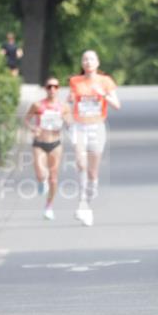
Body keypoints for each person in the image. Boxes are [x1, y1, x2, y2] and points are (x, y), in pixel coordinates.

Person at [67, 50, 120, 227]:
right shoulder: (75, 81)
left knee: (92, 172)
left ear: (97, 62)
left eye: (91, 59)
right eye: (85, 59)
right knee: (81, 164)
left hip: (97, 126)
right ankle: (82, 204)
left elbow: (117, 105)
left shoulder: (105, 81)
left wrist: (103, 94)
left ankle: (89, 198)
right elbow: (70, 102)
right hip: (79, 126)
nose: (88, 62)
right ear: (82, 63)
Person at [24, 77, 70, 220]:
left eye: (55, 86)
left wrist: (68, 122)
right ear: (45, 88)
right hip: (40, 142)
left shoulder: (64, 106)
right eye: (49, 86)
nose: (52, 89)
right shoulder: (37, 105)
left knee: (53, 178)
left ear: (58, 89)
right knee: (41, 174)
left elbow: (70, 122)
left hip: (55, 143)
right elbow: (26, 119)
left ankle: (49, 206)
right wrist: (33, 128)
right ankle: (41, 181)